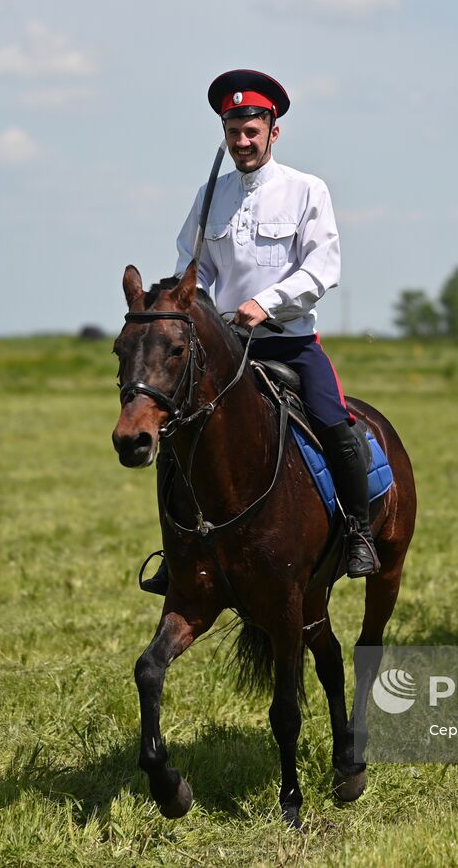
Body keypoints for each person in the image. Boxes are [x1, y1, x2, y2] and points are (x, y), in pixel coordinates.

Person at [140, 69, 377, 596]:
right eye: (233, 132)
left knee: (337, 424)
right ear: (224, 134)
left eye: (252, 131)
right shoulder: (210, 195)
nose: (242, 142)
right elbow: (190, 266)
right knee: (179, 434)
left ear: (274, 131)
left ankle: (359, 533)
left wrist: (264, 303)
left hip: (290, 342)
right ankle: (175, 552)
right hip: (224, 350)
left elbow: (323, 269)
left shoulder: (307, 190)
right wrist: (188, 305)